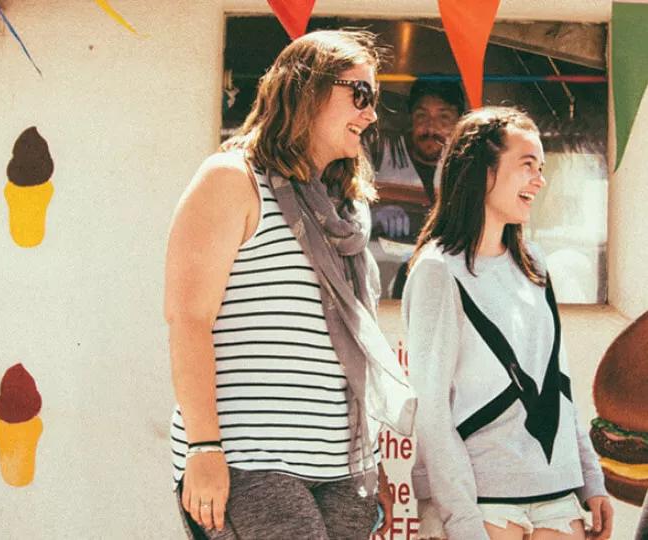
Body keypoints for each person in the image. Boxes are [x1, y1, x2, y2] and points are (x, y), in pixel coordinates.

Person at [165, 30, 416, 539]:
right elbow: (188, 319)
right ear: (307, 90)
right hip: (249, 458)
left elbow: (350, 342)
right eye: (360, 94)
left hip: (345, 468)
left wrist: (373, 463)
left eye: (375, 100)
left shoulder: (344, 206)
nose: (370, 115)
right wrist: (203, 448)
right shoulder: (232, 179)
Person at [401, 106, 614, 540]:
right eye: (527, 166)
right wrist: (460, 521)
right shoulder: (438, 271)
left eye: (542, 168)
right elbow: (432, 411)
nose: (539, 180)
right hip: (481, 500)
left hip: (555, 493)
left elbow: (557, 380)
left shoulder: (534, 262)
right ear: (483, 172)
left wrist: (592, 479)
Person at [366, 80, 464, 298]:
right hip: (379, 291)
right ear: (411, 118)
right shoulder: (381, 152)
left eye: (443, 117)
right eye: (422, 116)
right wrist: (374, 215)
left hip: (444, 289)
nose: (430, 128)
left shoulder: (464, 168)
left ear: (459, 122)